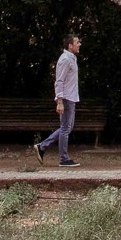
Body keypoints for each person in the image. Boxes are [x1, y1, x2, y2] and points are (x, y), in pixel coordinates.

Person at [33, 32, 82, 167]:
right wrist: (59, 101)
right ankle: (63, 159)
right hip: (65, 98)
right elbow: (59, 81)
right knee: (66, 129)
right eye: (77, 42)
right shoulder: (65, 59)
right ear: (70, 45)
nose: (79, 44)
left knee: (67, 128)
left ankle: (42, 147)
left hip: (70, 97)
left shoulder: (71, 58)